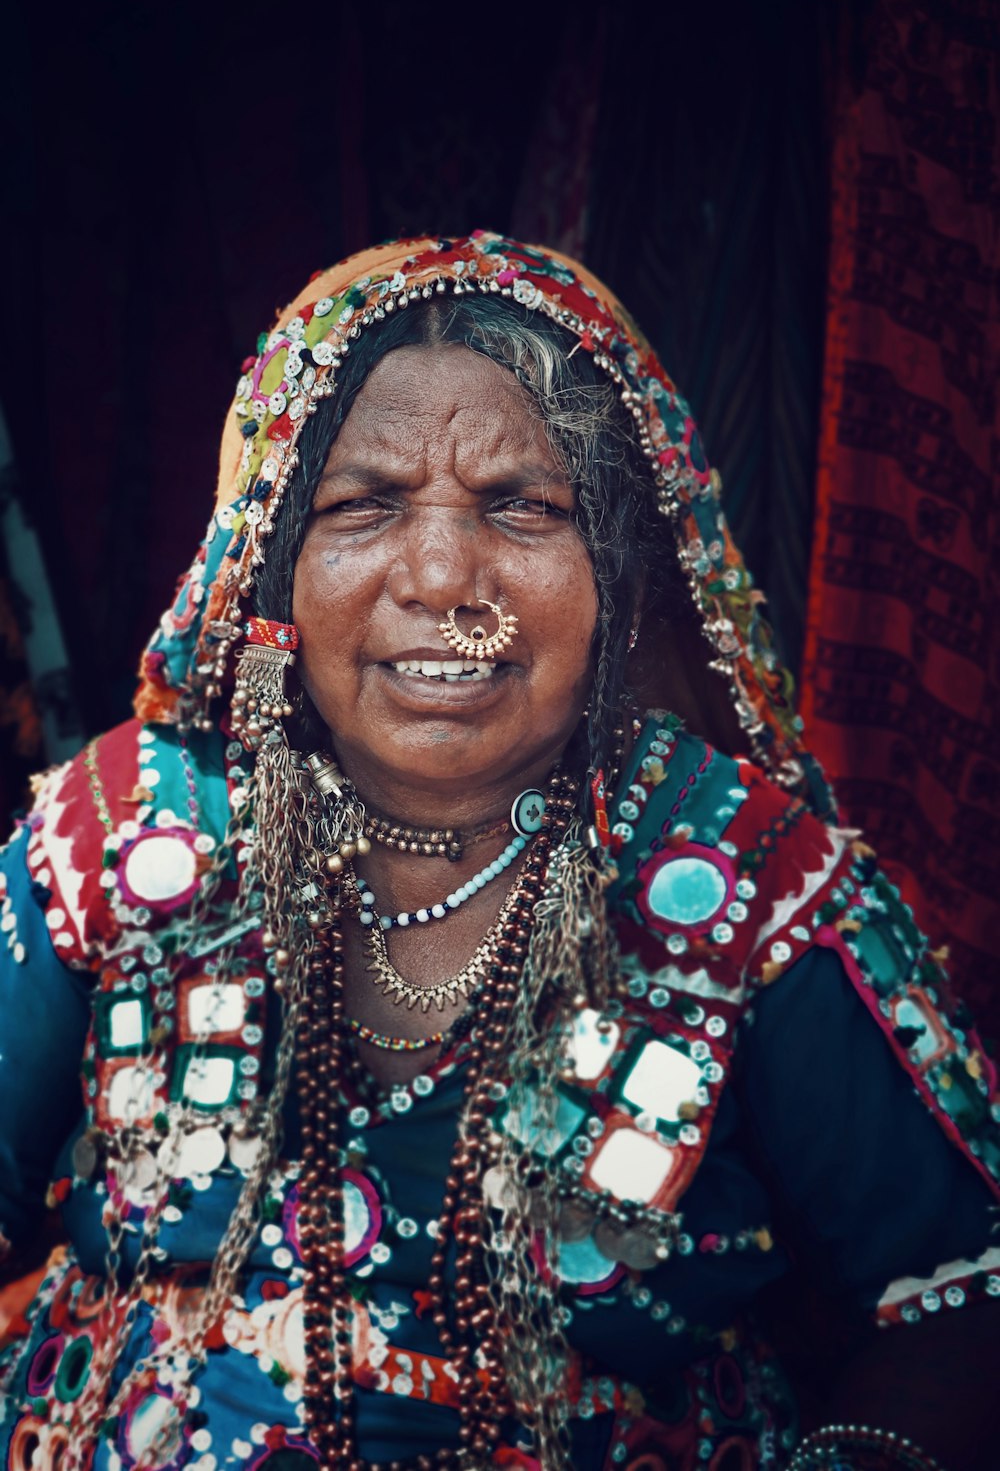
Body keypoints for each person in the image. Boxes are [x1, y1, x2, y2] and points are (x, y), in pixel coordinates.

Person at [0, 232, 998, 1471]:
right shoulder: (131, 831)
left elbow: (964, 1291)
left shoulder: (742, 873)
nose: (438, 576)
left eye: (522, 507)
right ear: (272, 569)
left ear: (620, 573)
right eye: (360, 505)